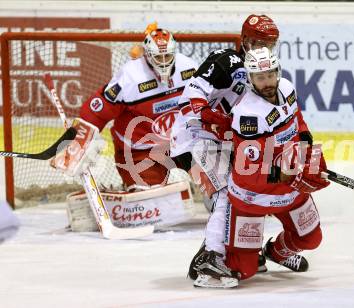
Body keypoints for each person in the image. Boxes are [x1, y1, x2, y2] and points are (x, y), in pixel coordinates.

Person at [169, 14, 301, 288]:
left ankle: (245, 250)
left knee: (255, 189)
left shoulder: (264, 69)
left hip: (228, 139)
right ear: (244, 40)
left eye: (269, 43)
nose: (263, 47)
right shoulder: (225, 60)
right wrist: (214, 120)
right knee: (229, 192)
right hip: (196, 137)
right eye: (257, 42)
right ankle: (213, 256)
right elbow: (188, 98)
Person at [221, 47, 330, 286]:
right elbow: (248, 169)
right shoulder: (247, 114)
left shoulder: (288, 89)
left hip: (287, 188)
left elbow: (297, 121)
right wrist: (286, 174)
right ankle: (213, 251)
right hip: (252, 195)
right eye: (260, 77)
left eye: (270, 74)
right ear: (250, 79)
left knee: (311, 238)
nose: (267, 81)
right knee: (243, 270)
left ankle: (277, 253)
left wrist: (307, 155)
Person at [79, 24, 198, 191]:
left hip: (180, 142)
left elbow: (208, 102)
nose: (164, 62)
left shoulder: (189, 68)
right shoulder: (130, 76)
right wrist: (82, 141)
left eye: (168, 56)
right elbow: (97, 110)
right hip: (139, 150)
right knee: (150, 199)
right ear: (147, 55)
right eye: (158, 57)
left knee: (216, 177)